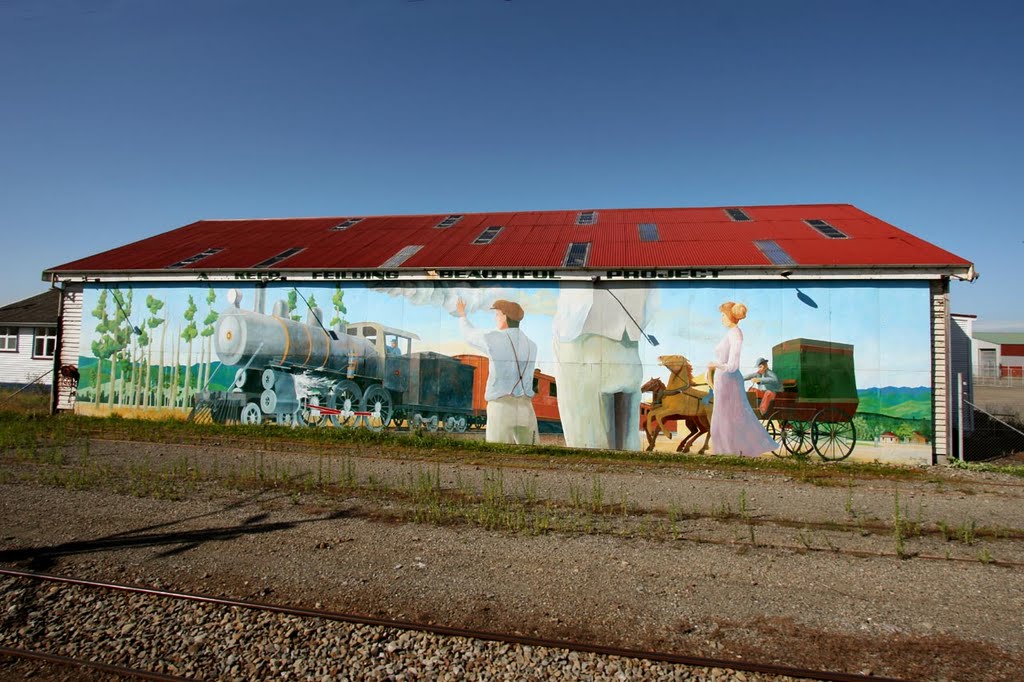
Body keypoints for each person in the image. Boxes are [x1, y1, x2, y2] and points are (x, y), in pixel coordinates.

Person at [552, 284, 651, 451]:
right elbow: (652, 303)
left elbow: (575, 301)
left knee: (586, 436)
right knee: (627, 437)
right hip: (629, 344)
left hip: (582, 340)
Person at [456, 297, 539, 445]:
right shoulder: (532, 345)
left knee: (498, 452)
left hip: (502, 406)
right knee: (531, 452)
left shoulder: (494, 338)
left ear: (505, 317)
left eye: (497, 315)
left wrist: (462, 315)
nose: (495, 318)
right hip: (526, 407)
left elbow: (470, 335)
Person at [707, 302, 778, 457]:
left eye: (723, 315)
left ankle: (728, 451)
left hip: (728, 380)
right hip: (723, 379)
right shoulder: (731, 333)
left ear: (730, 316)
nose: (721, 318)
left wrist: (715, 364)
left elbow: (733, 365)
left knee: (728, 417)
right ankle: (724, 451)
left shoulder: (735, 334)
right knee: (722, 416)